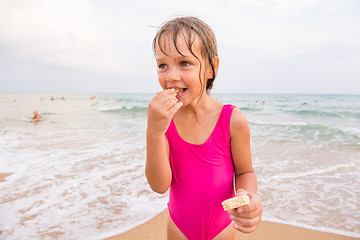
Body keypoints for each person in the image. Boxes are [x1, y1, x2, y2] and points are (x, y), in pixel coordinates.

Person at [146, 17, 262, 240]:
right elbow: (159, 185)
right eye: (162, 65)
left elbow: (245, 172)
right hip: (178, 229)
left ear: (211, 68)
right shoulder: (164, 121)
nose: (170, 76)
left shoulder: (232, 120)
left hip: (222, 230)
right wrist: (154, 132)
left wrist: (247, 196)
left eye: (184, 63)